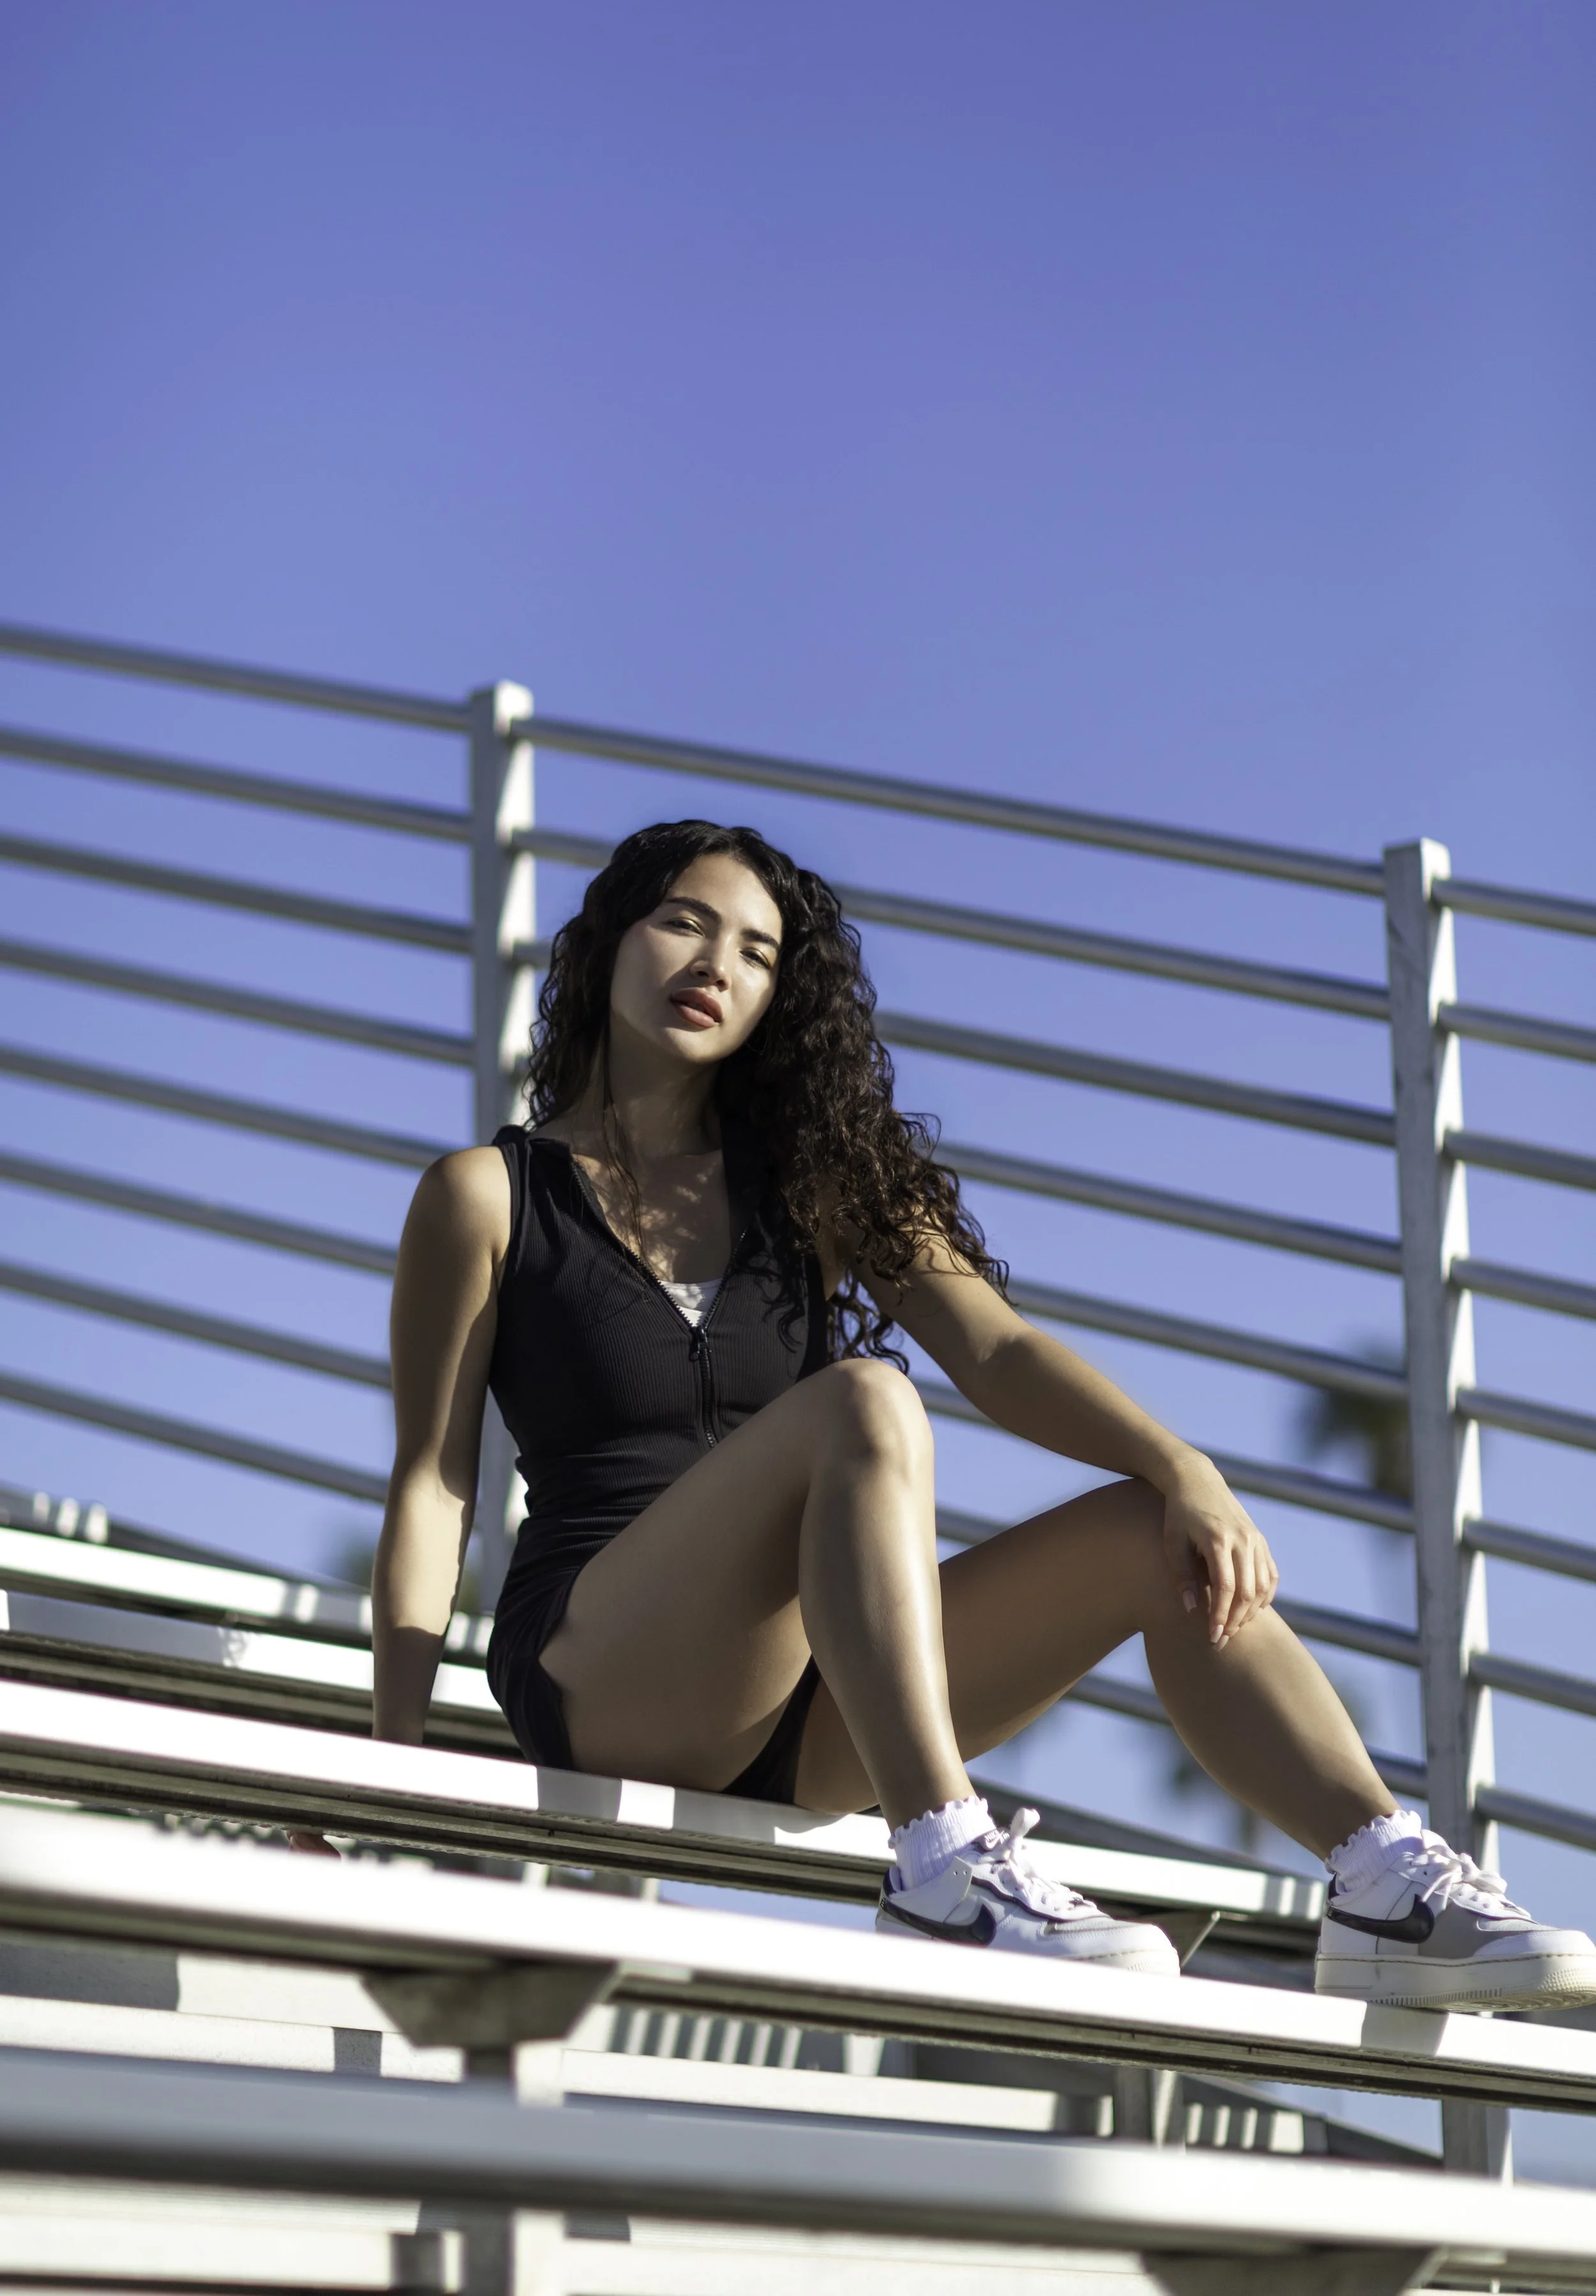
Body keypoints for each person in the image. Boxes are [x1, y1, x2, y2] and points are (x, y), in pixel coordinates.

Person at [372, 818, 1596, 2011]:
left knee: (1147, 1533)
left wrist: (1183, 1467)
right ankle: (944, 1861)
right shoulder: (488, 1197)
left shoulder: (810, 1184)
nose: (716, 965)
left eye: (756, 951)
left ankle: (1383, 1885)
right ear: (607, 942)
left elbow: (999, 1349)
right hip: (606, 1670)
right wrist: (392, 1766)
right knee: (867, 1397)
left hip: (809, 1706)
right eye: (684, 923)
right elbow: (434, 1482)